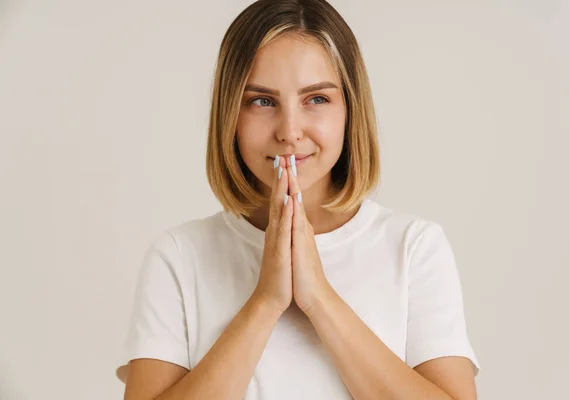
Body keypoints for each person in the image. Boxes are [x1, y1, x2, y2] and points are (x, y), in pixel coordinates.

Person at [115, 0, 481, 398]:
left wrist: (319, 297)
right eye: (262, 101)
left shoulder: (414, 247)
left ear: (349, 109)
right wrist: (265, 302)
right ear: (229, 114)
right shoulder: (178, 256)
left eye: (316, 99)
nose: (290, 131)